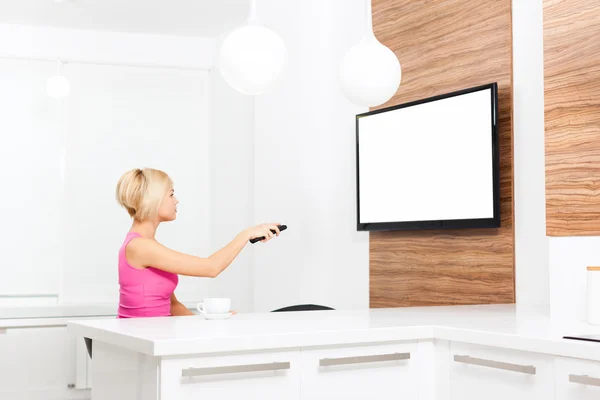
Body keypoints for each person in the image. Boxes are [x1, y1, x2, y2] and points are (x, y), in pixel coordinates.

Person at [114, 167, 281, 318]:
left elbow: (173, 305)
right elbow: (211, 267)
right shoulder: (140, 247)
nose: (176, 200)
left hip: (156, 337)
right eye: (171, 194)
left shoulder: (145, 245)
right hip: (143, 341)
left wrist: (208, 320)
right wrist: (247, 234)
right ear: (154, 200)